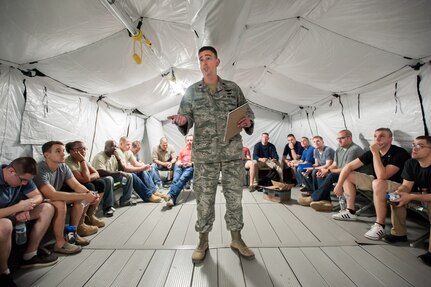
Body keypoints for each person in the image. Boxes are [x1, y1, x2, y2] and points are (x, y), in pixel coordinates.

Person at [169, 46, 255, 263]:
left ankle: (236, 238)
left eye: (208, 58)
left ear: (217, 61)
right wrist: (183, 121)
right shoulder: (192, 91)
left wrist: (248, 121)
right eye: (200, 59)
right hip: (205, 156)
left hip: (232, 154)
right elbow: (185, 116)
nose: (204, 62)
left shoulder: (232, 89)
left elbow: (247, 112)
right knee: (204, 200)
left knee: (234, 199)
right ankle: (203, 241)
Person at [332, 128, 410, 238]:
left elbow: (382, 176)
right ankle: (350, 211)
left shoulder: (399, 153)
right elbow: (348, 166)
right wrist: (339, 185)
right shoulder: (373, 152)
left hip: (398, 186)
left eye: (382, 136)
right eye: (375, 136)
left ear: (390, 139)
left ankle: (380, 226)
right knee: (348, 174)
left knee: (378, 182)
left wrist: (375, 153)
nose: (377, 139)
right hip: (377, 182)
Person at [1, 157, 57, 287]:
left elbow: (38, 196)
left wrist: (27, 205)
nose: (25, 184)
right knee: (5, 225)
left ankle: (29, 256)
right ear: (10, 171)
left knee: (47, 208)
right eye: (23, 180)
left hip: (15, 213)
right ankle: (3, 272)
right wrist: (18, 208)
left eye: (28, 181)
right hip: (3, 218)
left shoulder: (22, 178)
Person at [34, 141, 99, 254]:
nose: (63, 154)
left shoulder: (63, 166)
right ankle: (60, 243)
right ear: (47, 155)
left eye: (63, 151)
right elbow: (51, 194)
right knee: (61, 202)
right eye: (58, 151)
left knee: (80, 200)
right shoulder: (40, 169)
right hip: (39, 201)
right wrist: (84, 195)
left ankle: (72, 235)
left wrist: (90, 194)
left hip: (52, 198)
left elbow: (76, 185)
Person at [384, 136, 431, 266]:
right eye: (413, 144)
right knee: (398, 197)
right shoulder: (411, 163)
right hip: (421, 195)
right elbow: (407, 185)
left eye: (419, 146)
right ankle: (399, 234)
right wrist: (400, 192)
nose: (414, 148)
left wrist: (410, 197)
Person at [297, 130, 365, 211]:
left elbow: (346, 169)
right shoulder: (339, 149)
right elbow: (334, 165)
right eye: (338, 138)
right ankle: (325, 201)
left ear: (349, 138)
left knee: (330, 175)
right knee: (320, 173)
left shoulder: (354, 149)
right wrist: (325, 170)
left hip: (353, 175)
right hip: (342, 173)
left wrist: (328, 171)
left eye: (342, 138)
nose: (339, 140)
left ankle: (314, 197)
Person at [65, 140, 113, 220]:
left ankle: (91, 214)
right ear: (72, 151)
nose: (83, 151)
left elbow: (96, 173)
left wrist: (87, 177)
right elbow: (83, 180)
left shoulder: (82, 160)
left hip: (82, 183)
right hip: (71, 187)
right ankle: (82, 219)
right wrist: (82, 161)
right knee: (89, 186)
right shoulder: (68, 162)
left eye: (84, 148)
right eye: (79, 148)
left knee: (100, 183)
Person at [117, 136, 164, 202]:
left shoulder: (127, 151)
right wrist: (142, 168)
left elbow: (135, 163)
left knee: (143, 171)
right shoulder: (118, 152)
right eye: (127, 144)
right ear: (121, 144)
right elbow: (126, 168)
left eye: (129, 144)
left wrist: (145, 166)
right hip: (119, 174)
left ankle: (153, 191)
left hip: (126, 171)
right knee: (134, 174)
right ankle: (149, 196)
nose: (129, 146)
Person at [165, 134, 194, 207]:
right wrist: (179, 162)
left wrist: (191, 163)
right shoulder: (183, 149)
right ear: (185, 141)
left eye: (191, 140)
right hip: (181, 166)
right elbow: (179, 160)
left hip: (190, 167)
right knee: (175, 179)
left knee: (182, 179)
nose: (189, 142)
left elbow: (199, 161)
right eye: (188, 140)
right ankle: (171, 199)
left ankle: (170, 195)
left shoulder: (196, 150)